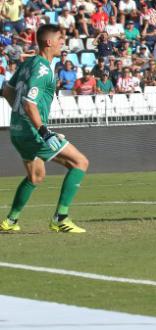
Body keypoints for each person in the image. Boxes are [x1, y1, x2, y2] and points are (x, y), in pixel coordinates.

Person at [0, 24, 89, 233]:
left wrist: (21, 118)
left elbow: (7, 91)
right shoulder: (43, 70)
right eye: (60, 39)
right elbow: (29, 103)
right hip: (33, 133)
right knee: (80, 163)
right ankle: (61, 218)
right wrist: (44, 131)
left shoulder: (29, 63)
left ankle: (10, 221)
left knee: (36, 177)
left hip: (18, 131)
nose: (62, 43)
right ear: (49, 42)